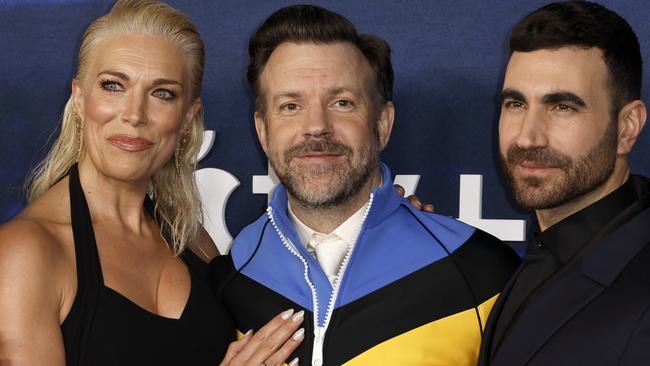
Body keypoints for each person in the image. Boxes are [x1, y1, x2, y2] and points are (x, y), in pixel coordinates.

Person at [212, 5, 521, 366]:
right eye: (291, 105)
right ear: (263, 131)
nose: (317, 126)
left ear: (383, 124)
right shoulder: (232, 274)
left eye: (342, 103)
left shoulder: (481, 271)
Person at [0, 1, 303, 365]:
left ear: (188, 115)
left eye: (163, 93)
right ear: (80, 99)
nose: (134, 115)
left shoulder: (189, 237)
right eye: (113, 86)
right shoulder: (25, 254)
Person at [478, 1, 650, 365]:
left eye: (563, 107)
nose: (528, 138)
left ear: (627, 127)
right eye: (515, 104)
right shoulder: (521, 262)